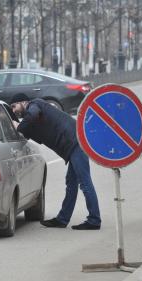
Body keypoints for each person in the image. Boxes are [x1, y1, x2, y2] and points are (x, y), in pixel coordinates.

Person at [10, 93, 101, 230]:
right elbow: (31, 132)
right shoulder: (34, 117)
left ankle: (94, 220)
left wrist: (19, 126)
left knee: (85, 183)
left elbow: (32, 116)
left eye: (14, 106)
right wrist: (20, 129)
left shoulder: (35, 104)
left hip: (76, 143)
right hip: (73, 146)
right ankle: (62, 219)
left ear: (23, 102)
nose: (14, 110)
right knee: (71, 184)